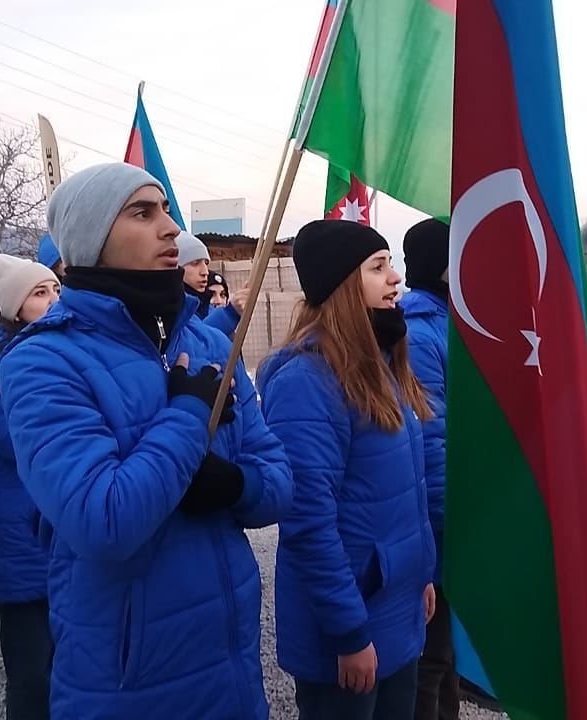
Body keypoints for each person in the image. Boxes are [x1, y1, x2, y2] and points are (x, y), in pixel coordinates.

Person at [0, 163, 293, 720]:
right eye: (142, 212)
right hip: (128, 682)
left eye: (166, 211)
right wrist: (187, 416)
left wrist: (234, 485)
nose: (171, 229)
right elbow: (103, 522)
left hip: (229, 669)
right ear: (92, 238)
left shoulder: (209, 344)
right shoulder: (43, 360)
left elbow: (279, 483)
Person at [258, 220, 436, 720]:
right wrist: (348, 632)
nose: (395, 278)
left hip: (396, 606)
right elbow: (308, 522)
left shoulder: (383, 365)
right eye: (378, 267)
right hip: (350, 623)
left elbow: (409, 493)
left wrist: (421, 575)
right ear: (340, 284)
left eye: (391, 264)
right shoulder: (306, 381)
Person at [0, 254, 59, 720]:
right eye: (39, 293)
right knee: (32, 671)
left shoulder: (59, 351)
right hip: (21, 530)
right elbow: (19, 440)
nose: (54, 300)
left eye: (56, 290)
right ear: (13, 307)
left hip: (56, 524)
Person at [399, 219, 458, 720]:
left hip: (459, 505)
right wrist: (446, 517)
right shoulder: (418, 333)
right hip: (440, 514)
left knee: (447, 645)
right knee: (431, 649)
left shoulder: (449, 320)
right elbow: (430, 438)